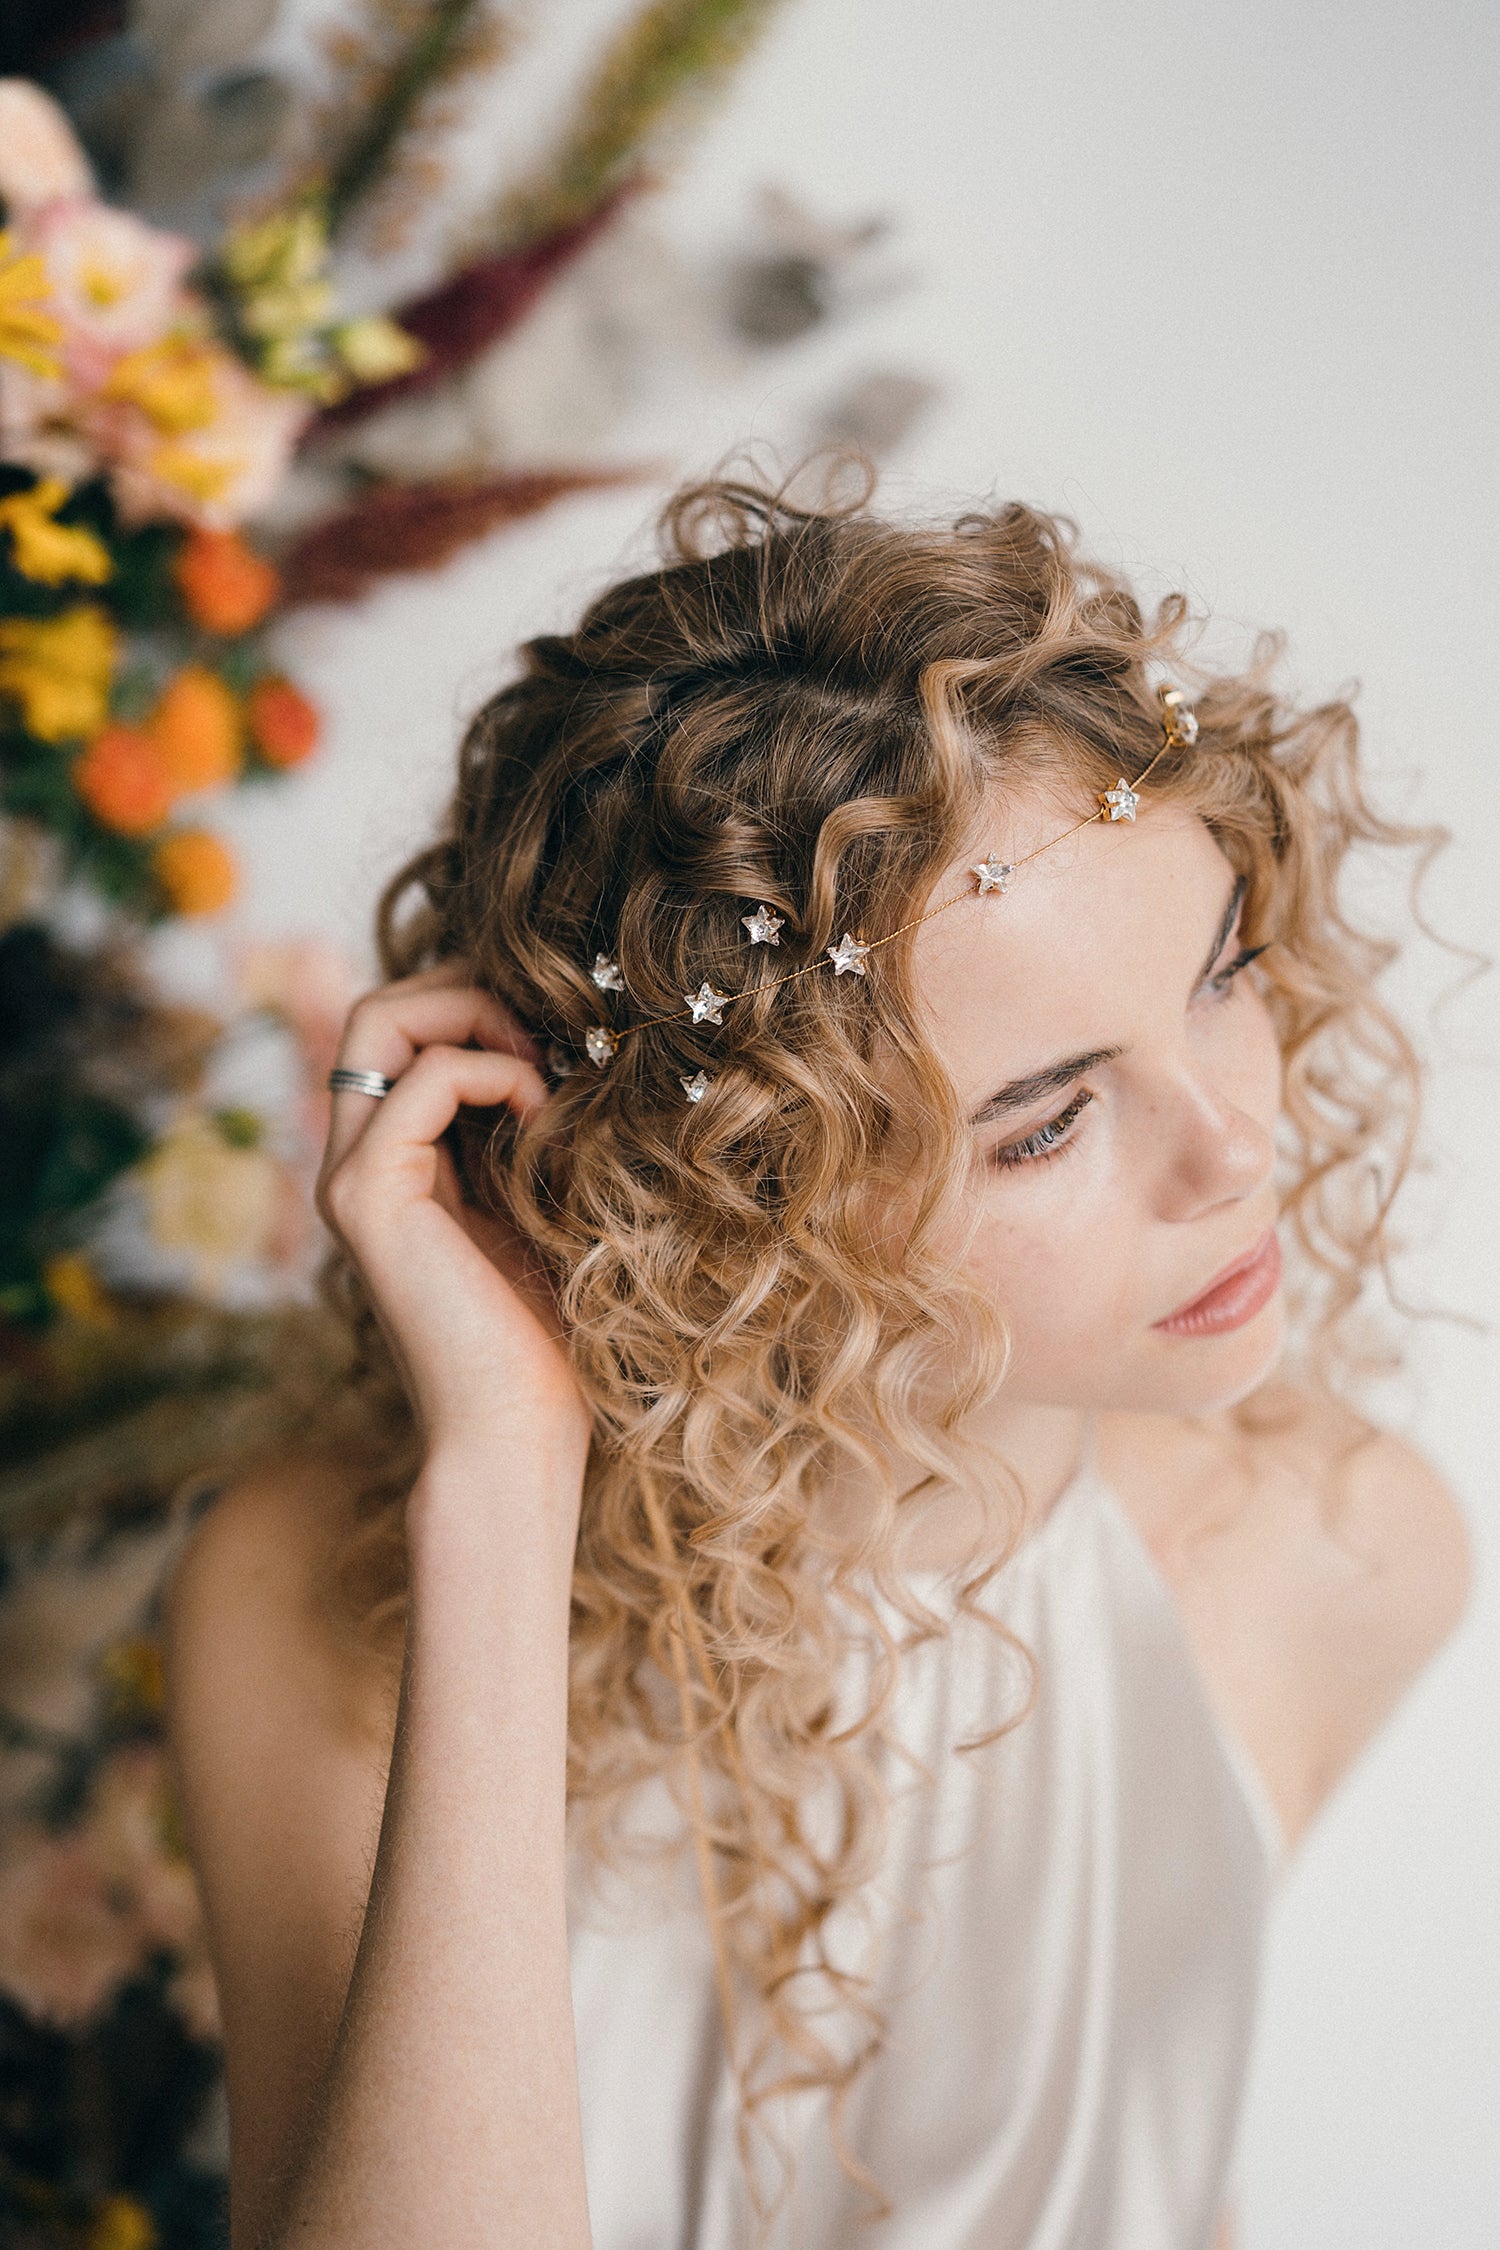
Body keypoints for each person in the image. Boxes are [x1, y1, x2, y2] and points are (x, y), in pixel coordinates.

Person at [162, 470, 1471, 2250]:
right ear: (745, 1193)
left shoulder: (1341, 1551)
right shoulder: (321, 1587)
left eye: (1224, 973)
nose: (1233, 1148)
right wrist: (500, 1489)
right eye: (1039, 1122)